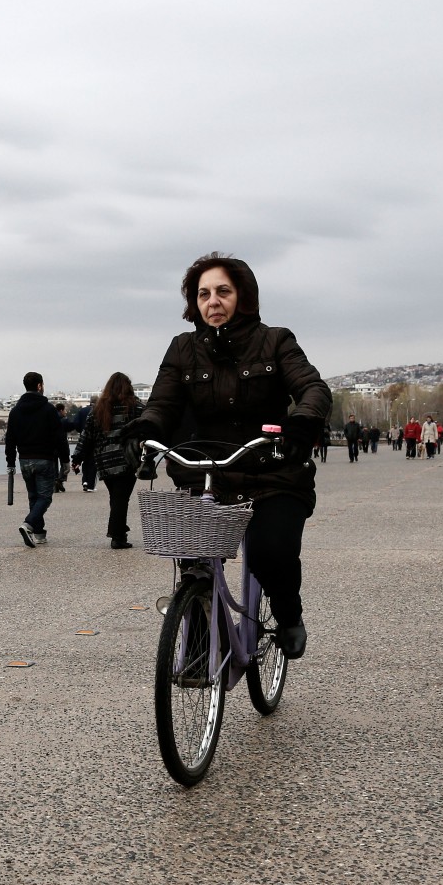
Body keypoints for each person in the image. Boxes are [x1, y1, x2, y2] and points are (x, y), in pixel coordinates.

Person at [127, 253, 331, 659]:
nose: (213, 302)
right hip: (207, 473)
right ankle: (200, 642)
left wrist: (303, 423)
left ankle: (289, 614)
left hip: (271, 473)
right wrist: (145, 429)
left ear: (243, 296)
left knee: (271, 554)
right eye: (203, 294)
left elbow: (313, 388)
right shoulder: (183, 348)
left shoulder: (275, 340)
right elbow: (162, 403)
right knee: (191, 558)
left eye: (223, 291)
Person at [77, 373, 144, 549]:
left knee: (116, 497)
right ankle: (117, 536)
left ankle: (119, 531)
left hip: (104, 461)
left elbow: (87, 436)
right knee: (121, 499)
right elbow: (148, 425)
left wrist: (77, 457)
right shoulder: (135, 407)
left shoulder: (98, 409)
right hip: (126, 460)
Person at [5, 371, 70, 547]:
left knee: (33, 496)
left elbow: (10, 439)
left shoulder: (16, 411)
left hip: (24, 459)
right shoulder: (48, 409)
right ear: (40, 386)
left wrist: (10, 462)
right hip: (45, 458)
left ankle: (39, 533)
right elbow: (59, 437)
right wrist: (65, 460)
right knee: (45, 497)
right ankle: (28, 524)